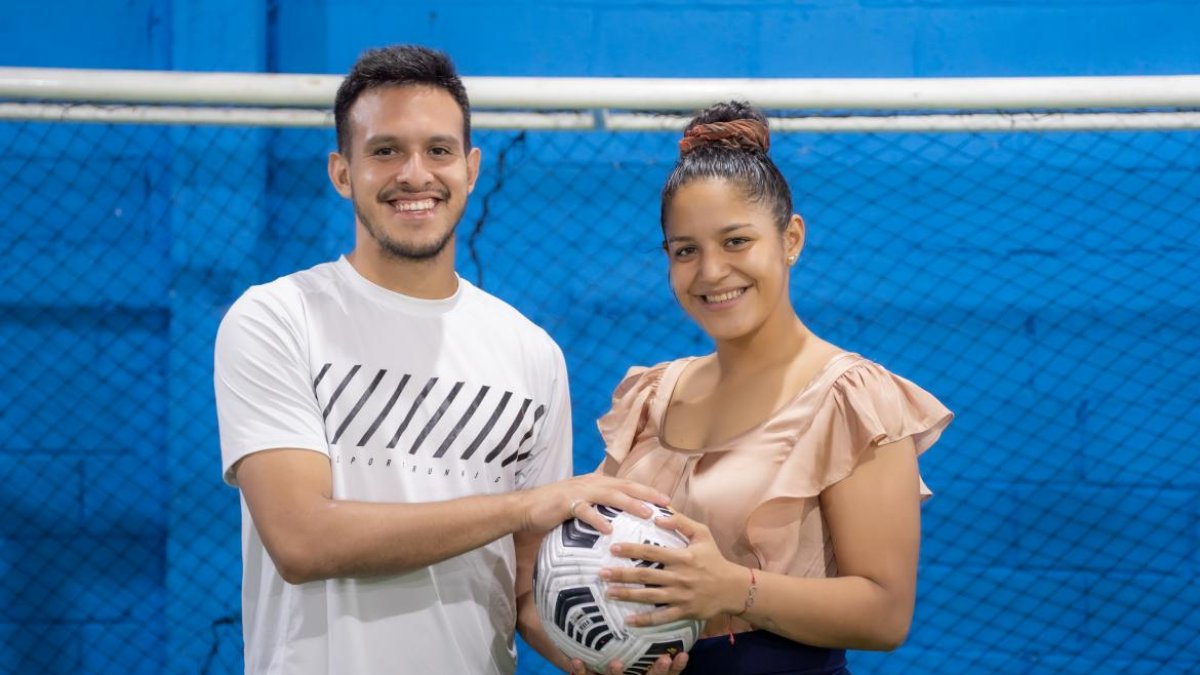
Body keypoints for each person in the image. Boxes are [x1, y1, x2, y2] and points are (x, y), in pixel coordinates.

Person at [213, 45, 673, 675]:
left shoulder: (531, 353)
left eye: (438, 150)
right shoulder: (278, 318)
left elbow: (523, 589)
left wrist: (613, 648)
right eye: (385, 151)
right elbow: (302, 540)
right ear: (342, 172)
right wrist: (521, 506)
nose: (415, 174)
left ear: (471, 167)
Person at [592, 101, 953, 675]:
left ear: (791, 239)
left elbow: (886, 615)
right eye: (686, 250)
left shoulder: (853, 397)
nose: (711, 271)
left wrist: (732, 588)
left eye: (736, 241)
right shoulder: (651, 395)